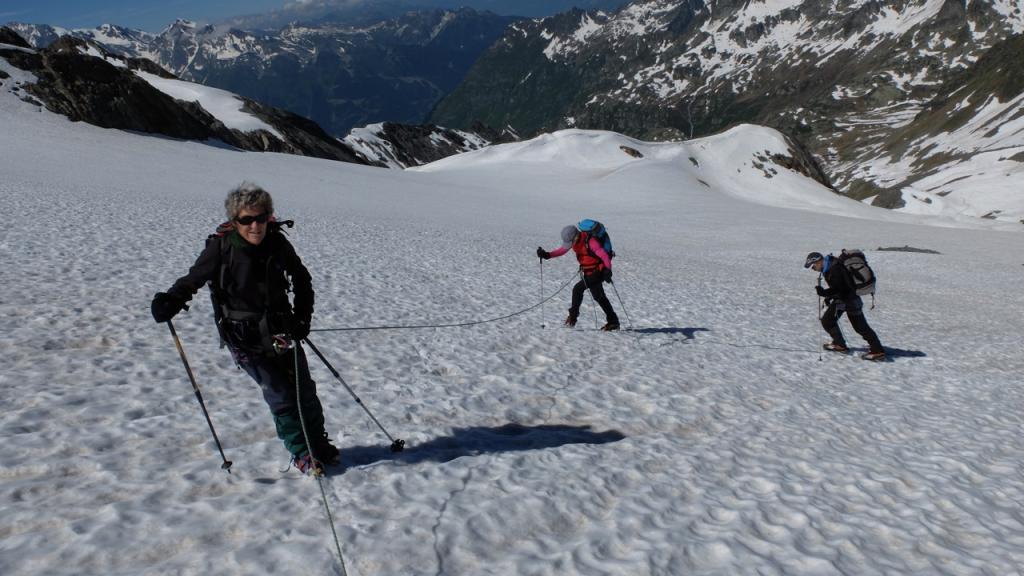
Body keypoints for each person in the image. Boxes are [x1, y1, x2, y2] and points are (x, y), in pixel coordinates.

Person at [151, 182, 339, 475]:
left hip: (281, 330)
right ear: (234, 221)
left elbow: (302, 278)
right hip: (244, 338)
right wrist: (171, 300)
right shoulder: (221, 248)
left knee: (304, 390)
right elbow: (193, 279)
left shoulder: (278, 243)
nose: (255, 226)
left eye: (261, 218)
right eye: (246, 219)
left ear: (269, 217)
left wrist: (303, 317)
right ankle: (302, 452)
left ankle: (318, 443)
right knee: (280, 393)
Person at [804, 251, 886, 361]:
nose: (813, 269)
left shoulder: (834, 269)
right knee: (829, 321)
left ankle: (878, 351)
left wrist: (825, 293)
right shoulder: (830, 267)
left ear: (818, 261)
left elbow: (842, 289)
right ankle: (840, 344)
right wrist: (829, 296)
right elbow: (839, 286)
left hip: (849, 300)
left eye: (813, 266)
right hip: (844, 299)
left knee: (860, 327)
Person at [537, 224, 620, 331]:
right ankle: (613, 321)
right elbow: (562, 250)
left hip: (598, 272)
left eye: (570, 242)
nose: (569, 245)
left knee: (577, 289)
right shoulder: (575, 242)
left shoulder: (590, 241)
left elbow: (604, 255)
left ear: (576, 236)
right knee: (599, 297)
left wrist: (608, 271)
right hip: (588, 272)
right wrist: (547, 255)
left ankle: (573, 317)